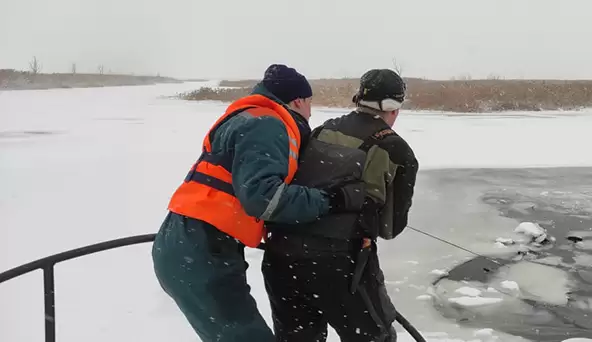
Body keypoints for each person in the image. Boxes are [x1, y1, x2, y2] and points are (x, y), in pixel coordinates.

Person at [151, 64, 366, 342]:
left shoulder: (247, 118)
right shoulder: (266, 124)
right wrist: (331, 200)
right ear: (298, 100)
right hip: (202, 248)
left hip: (188, 240)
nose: (311, 112)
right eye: (310, 102)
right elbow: (264, 198)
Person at [262, 69, 419, 342]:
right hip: (341, 267)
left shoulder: (322, 130)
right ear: (394, 107)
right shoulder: (397, 150)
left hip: (281, 258)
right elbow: (390, 228)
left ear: (359, 98)